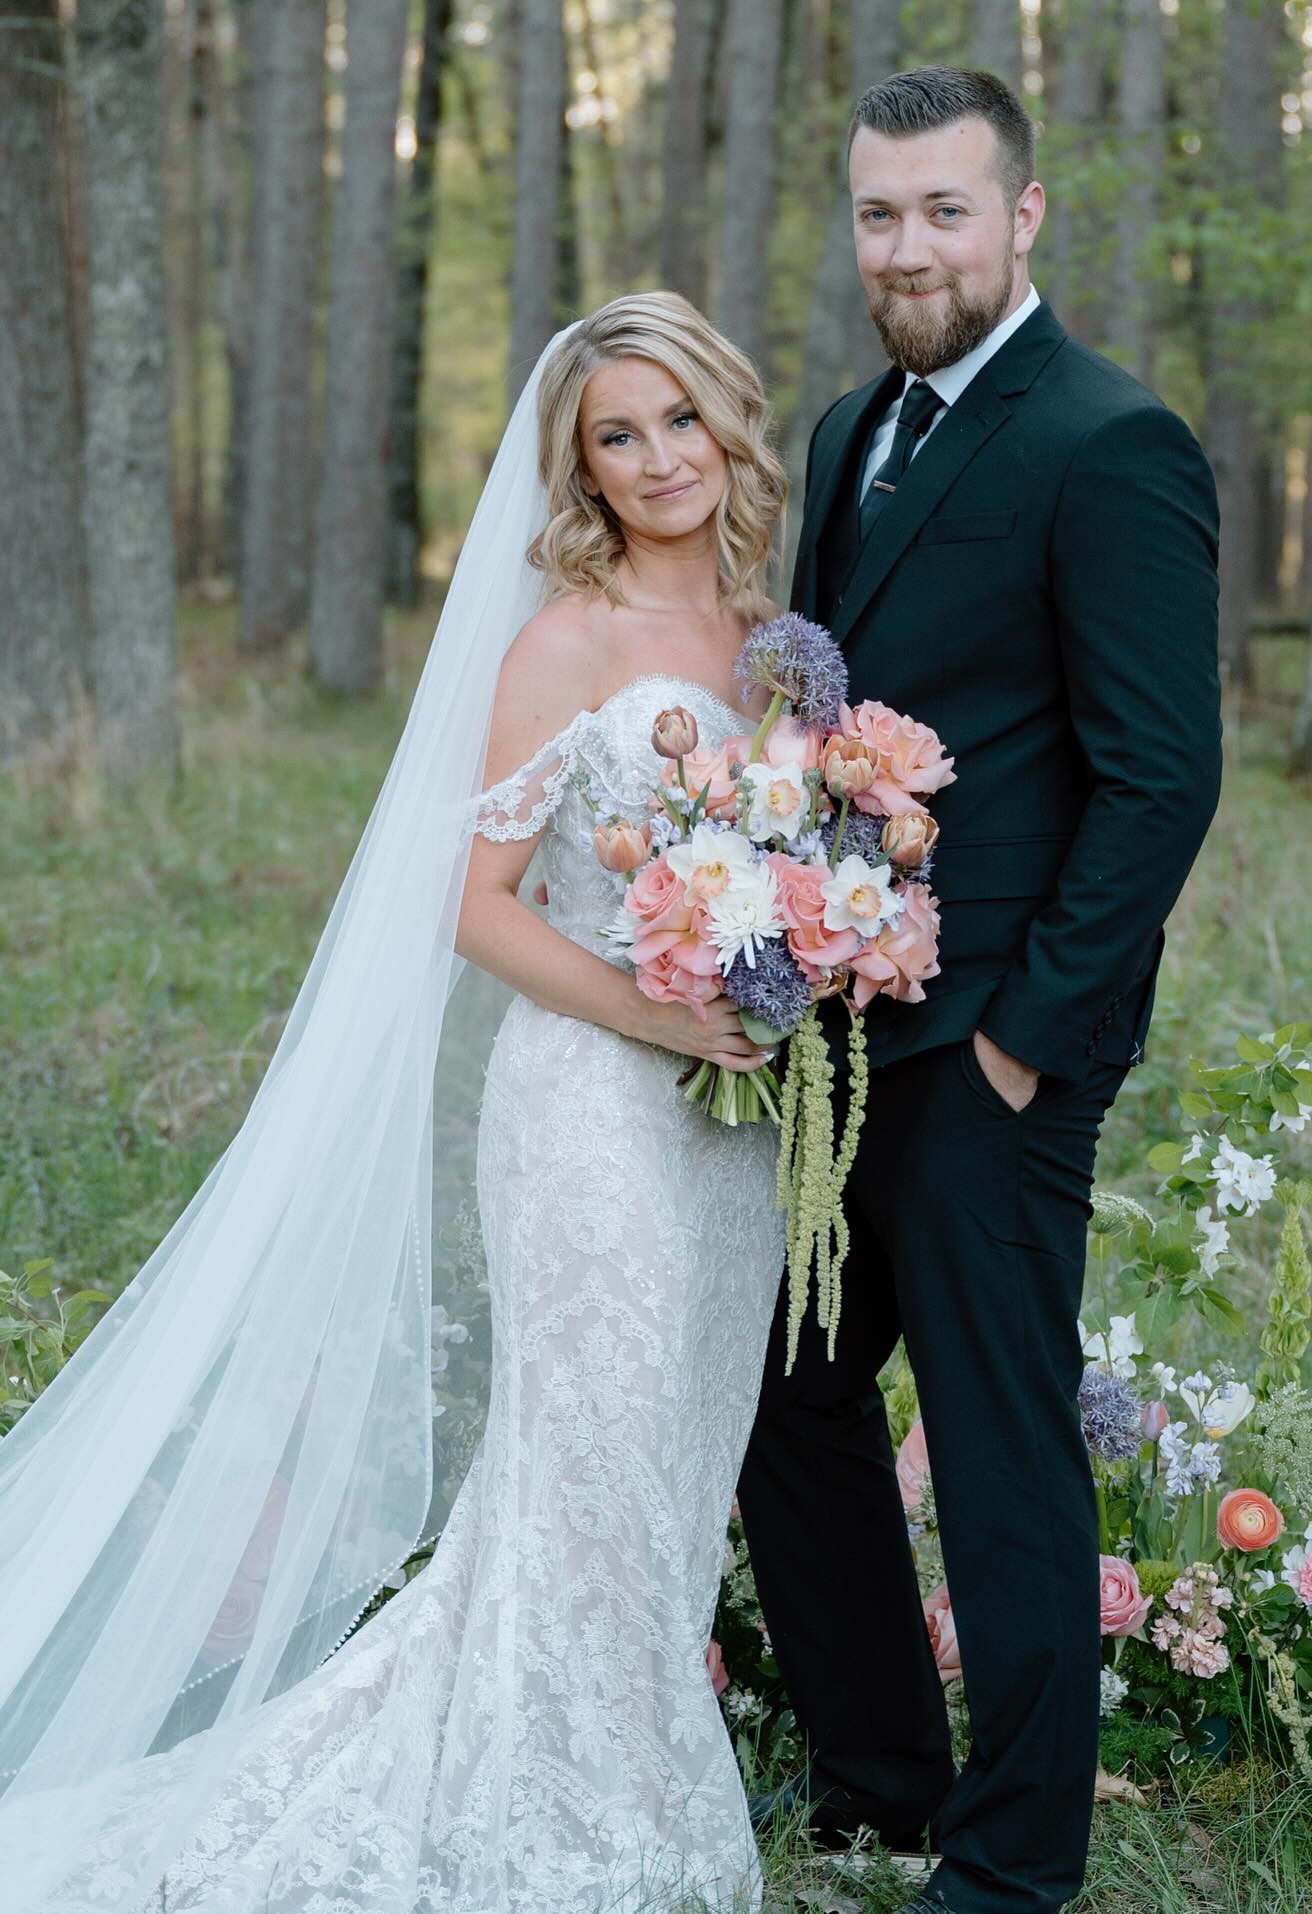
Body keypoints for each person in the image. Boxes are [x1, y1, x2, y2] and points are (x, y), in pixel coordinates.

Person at [0, 292, 788, 1912]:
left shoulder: (774, 632)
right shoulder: (563, 639)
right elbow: (474, 899)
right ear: (578, 471)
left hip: (734, 1140)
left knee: (675, 1460)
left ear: (728, 417)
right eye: (614, 438)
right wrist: (659, 1009)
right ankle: (583, 1808)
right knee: (590, 1460)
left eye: (676, 420)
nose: (655, 461)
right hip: (592, 1113)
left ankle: (608, 1756)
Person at [738, 67, 1223, 1914]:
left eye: (947, 209)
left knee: (1003, 1441)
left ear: (1024, 217)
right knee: (792, 1384)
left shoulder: (1111, 439)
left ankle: (1014, 1865)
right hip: (850, 1033)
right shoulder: (864, 428)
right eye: (881, 213)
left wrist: (1030, 1036)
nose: (911, 244)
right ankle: (879, 1778)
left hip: (996, 1041)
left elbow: (1162, 772)